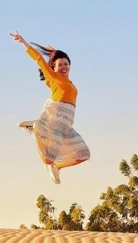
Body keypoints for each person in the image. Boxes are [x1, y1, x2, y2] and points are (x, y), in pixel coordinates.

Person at [10, 30, 90, 184]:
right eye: (60, 65)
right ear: (53, 68)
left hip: (66, 123)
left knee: (83, 154)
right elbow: (39, 59)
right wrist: (23, 43)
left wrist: (54, 52)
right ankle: (37, 126)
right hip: (55, 115)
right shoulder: (53, 77)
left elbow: (61, 70)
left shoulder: (70, 83)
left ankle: (56, 166)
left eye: (66, 64)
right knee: (47, 158)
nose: (64, 67)